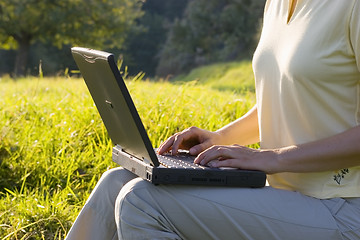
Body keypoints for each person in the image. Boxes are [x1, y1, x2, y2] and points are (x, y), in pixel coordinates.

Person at [65, 0, 360, 239]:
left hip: (342, 206)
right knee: (116, 181)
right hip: (285, 193)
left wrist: (272, 158)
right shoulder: (278, 3)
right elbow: (286, 96)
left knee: (140, 200)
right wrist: (220, 138)